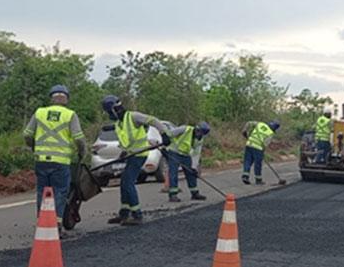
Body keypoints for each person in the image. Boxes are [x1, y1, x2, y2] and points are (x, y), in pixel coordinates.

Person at [22, 85, 86, 228]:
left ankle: (42, 222)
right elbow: (79, 138)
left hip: (41, 160)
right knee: (60, 192)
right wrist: (82, 152)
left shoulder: (40, 113)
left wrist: (34, 147)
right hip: (61, 162)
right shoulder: (70, 115)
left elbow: (27, 134)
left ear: (51, 98)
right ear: (66, 99)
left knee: (42, 191)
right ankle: (56, 224)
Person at [102, 95, 170, 225]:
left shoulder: (133, 116)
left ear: (114, 110)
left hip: (140, 154)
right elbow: (127, 141)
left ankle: (137, 214)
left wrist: (164, 134)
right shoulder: (119, 123)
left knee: (128, 183)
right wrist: (123, 152)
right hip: (131, 154)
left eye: (109, 112)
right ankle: (124, 213)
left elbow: (153, 120)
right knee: (124, 183)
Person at [165, 121, 210, 202]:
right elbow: (170, 133)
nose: (199, 135)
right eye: (199, 132)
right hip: (174, 152)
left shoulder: (199, 140)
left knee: (191, 173)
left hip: (185, 155)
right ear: (196, 129)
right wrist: (165, 142)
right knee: (173, 173)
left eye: (201, 134)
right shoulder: (185, 129)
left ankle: (194, 193)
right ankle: (173, 195)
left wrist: (194, 167)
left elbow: (196, 153)